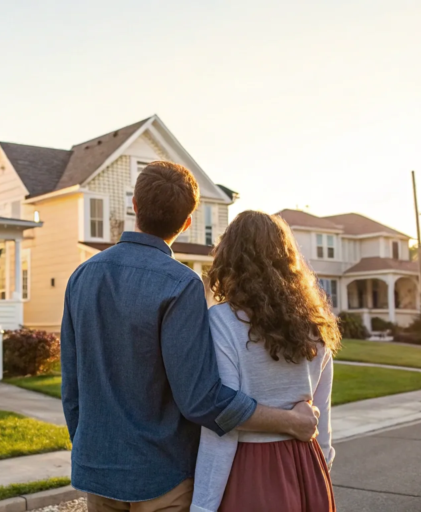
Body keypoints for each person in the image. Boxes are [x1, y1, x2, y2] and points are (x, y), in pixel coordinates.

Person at [61, 161, 321, 512]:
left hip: (97, 472)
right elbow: (200, 399)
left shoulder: (82, 276)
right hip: (162, 478)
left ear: (134, 206)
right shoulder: (181, 284)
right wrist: (290, 421)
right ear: (186, 222)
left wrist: (88, 449)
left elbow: (71, 386)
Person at [191, 210, 340, 512]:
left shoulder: (223, 320)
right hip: (307, 464)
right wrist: (319, 473)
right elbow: (321, 419)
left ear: (229, 258)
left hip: (249, 470)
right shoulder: (316, 324)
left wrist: (203, 505)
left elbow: (225, 417)